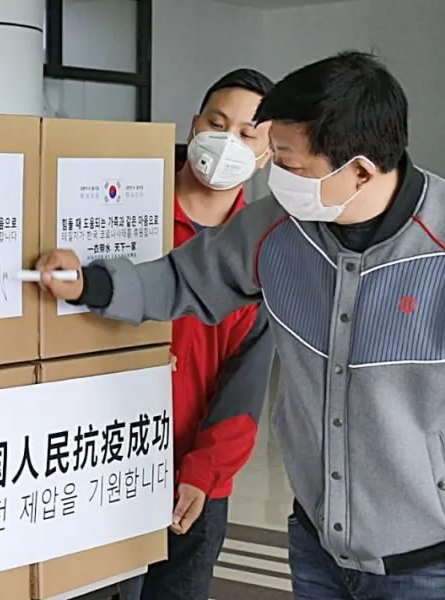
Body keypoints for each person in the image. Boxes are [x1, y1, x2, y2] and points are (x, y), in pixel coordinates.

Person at [37, 51, 445, 600]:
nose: (278, 179)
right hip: (316, 545)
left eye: (292, 166)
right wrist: (89, 284)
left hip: (432, 565)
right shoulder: (279, 227)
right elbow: (185, 279)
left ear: (360, 170)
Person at [112, 68, 279, 600]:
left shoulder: (261, 252)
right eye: (217, 123)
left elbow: (245, 386)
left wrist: (204, 472)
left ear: (268, 153)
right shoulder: (125, 214)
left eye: (248, 134)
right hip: (104, 460)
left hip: (195, 478)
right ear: (194, 124)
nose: (228, 142)